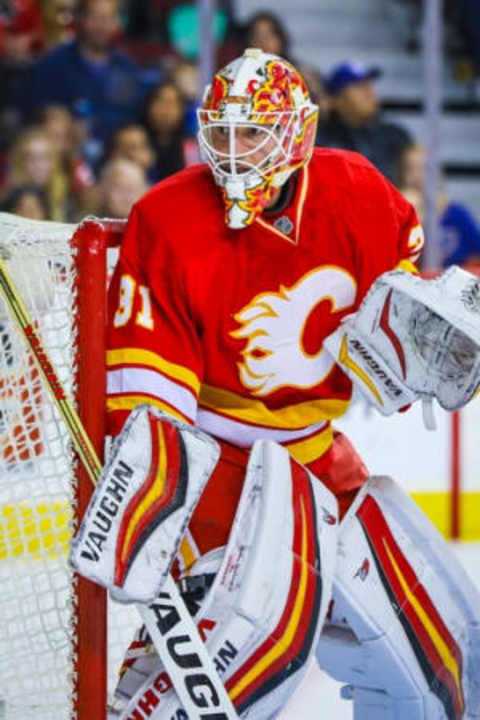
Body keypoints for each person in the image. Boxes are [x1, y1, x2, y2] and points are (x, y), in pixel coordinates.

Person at [101, 49, 480, 719]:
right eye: (221, 131)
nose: (234, 150)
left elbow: (394, 312)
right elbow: (146, 397)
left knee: (439, 649)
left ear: (297, 132)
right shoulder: (166, 217)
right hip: (216, 460)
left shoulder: (359, 192)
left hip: (317, 454)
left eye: (253, 131)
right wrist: (160, 504)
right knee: (231, 650)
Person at [24, 0, 144, 150]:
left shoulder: (128, 69)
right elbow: (38, 114)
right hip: (65, 152)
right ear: (81, 18)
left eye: (108, 18)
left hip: (117, 155)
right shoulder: (53, 64)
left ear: (116, 23)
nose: (101, 25)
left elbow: (135, 117)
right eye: (94, 17)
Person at [316, 60, 412, 181]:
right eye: (360, 87)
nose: (370, 93)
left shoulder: (395, 135)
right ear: (337, 99)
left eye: (369, 85)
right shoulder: (321, 141)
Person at [397, 142, 480, 268]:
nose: (417, 176)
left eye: (424, 169)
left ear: (439, 174)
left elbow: (476, 252)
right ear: (402, 176)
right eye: (410, 169)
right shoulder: (399, 214)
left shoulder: (457, 214)